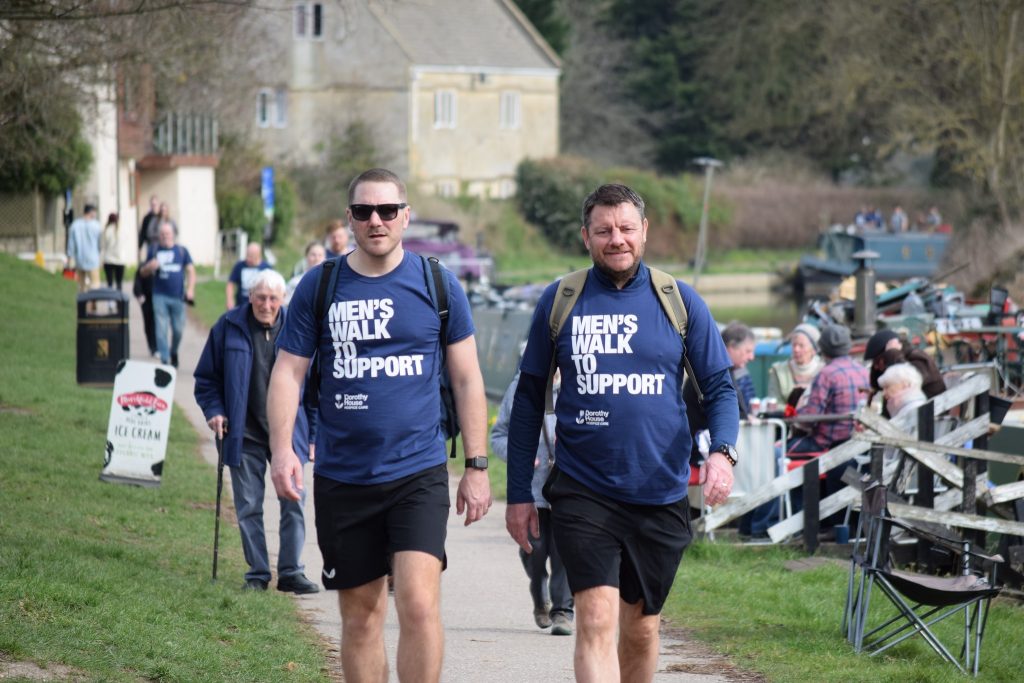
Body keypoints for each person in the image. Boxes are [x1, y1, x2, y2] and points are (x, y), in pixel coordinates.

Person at [505, 183, 739, 683]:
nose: (617, 239)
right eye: (604, 230)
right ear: (585, 236)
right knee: (594, 619)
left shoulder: (679, 301)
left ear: (644, 231)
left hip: (660, 491)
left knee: (642, 629)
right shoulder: (562, 299)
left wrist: (722, 453)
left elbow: (720, 388)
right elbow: (528, 399)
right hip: (583, 488)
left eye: (626, 228)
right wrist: (518, 494)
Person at [267, 168, 491, 683]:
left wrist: (477, 466)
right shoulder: (320, 286)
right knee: (362, 616)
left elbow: (467, 379)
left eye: (387, 210)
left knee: (418, 603)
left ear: (405, 217)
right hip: (344, 475)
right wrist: (283, 450)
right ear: (349, 219)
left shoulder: (439, 284)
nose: (376, 220)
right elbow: (288, 373)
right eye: (364, 211)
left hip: (418, 472)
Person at [194, 270, 320, 594]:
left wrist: (313, 436)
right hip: (243, 432)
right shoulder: (228, 326)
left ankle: (290, 571)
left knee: (293, 501)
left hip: (289, 435)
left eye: (273, 298)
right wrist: (214, 411)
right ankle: (258, 573)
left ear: (282, 299)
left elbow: (314, 389)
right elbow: (206, 379)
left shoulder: (299, 327)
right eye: (260, 297)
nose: (266, 304)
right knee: (249, 505)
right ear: (249, 296)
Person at [491, 369, 573, 636]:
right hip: (531, 490)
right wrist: (521, 457)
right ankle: (540, 597)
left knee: (564, 550)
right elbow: (498, 436)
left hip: (567, 488)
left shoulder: (579, 383)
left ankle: (562, 611)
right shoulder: (520, 387)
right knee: (534, 550)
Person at [786, 324, 869, 522]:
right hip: (856, 441)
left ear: (822, 349)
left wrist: (794, 418)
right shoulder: (863, 371)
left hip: (825, 443)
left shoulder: (826, 374)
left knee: (779, 453)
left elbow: (810, 418)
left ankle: (795, 518)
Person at [140, 222, 196, 368]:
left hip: (178, 296)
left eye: (168, 233)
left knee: (178, 329)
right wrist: (149, 267)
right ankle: (165, 360)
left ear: (173, 235)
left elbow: (191, 271)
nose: (165, 236)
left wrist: (190, 289)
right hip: (159, 296)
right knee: (161, 329)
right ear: (159, 236)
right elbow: (142, 273)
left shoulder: (181, 251)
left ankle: (174, 351)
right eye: (162, 234)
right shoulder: (153, 250)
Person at [863, 328, 945, 416]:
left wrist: (892, 353)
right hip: (910, 417)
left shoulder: (918, 358)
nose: (876, 367)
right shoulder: (896, 361)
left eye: (877, 361)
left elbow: (907, 378)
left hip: (930, 418)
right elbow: (877, 384)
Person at [767, 323, 824, 408]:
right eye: (794, 345)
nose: (796, 349)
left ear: (814, 350)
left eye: (801, 346)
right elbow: (773, 404)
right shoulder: (778, 370)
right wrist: (792, 410)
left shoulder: (823, 370)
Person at [721, 321, 756, 416]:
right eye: (748, 351)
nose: (752, 357)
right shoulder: (717, 375)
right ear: (731, 348)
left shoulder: (730, 370)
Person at [66, 204, 102, 294]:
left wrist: (69, 258)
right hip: (93, 260)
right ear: (91, 212)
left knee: (81, 286)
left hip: (80, 259)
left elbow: (71, 244)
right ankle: (93, 300)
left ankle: (82, 301)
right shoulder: (97, 226)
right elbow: (100, 244)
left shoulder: (75, 225)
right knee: (95, 285)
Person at [226, 242, 272, 309]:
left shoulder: (266, 268)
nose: (248, 258)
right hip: (241, 305)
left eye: (251, 256)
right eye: (247, 255)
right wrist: (229, 300)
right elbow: (230, 283)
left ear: (258, 255)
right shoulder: (239, 266)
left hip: (259, 306)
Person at [101, 212, 127, 290]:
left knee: (110, 283)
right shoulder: (122, 229)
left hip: (108, 259)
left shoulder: (106, 230)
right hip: (120, 259)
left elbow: (103, 246)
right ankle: (119, 297)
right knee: (119, 283)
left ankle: (110, 297)